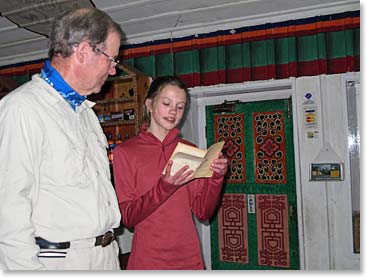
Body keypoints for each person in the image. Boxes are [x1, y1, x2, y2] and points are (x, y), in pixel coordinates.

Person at [0, 8, 124, 270]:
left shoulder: (86, 113)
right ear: (83, 51)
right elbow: (7, 210)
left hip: (105, 256)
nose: (113, 70)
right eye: (111, 59)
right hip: (61, 261)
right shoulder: (22, 108)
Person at [113, 76, 229, 269]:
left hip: (188, 259)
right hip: (147, 260)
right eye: (167, 103)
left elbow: (203, 211)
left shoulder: (189, 150)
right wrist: (164, 187)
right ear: (149, 104)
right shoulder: (125, 152)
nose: (173, 111)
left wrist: (216, 178)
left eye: (180, 106)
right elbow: (128, 218)